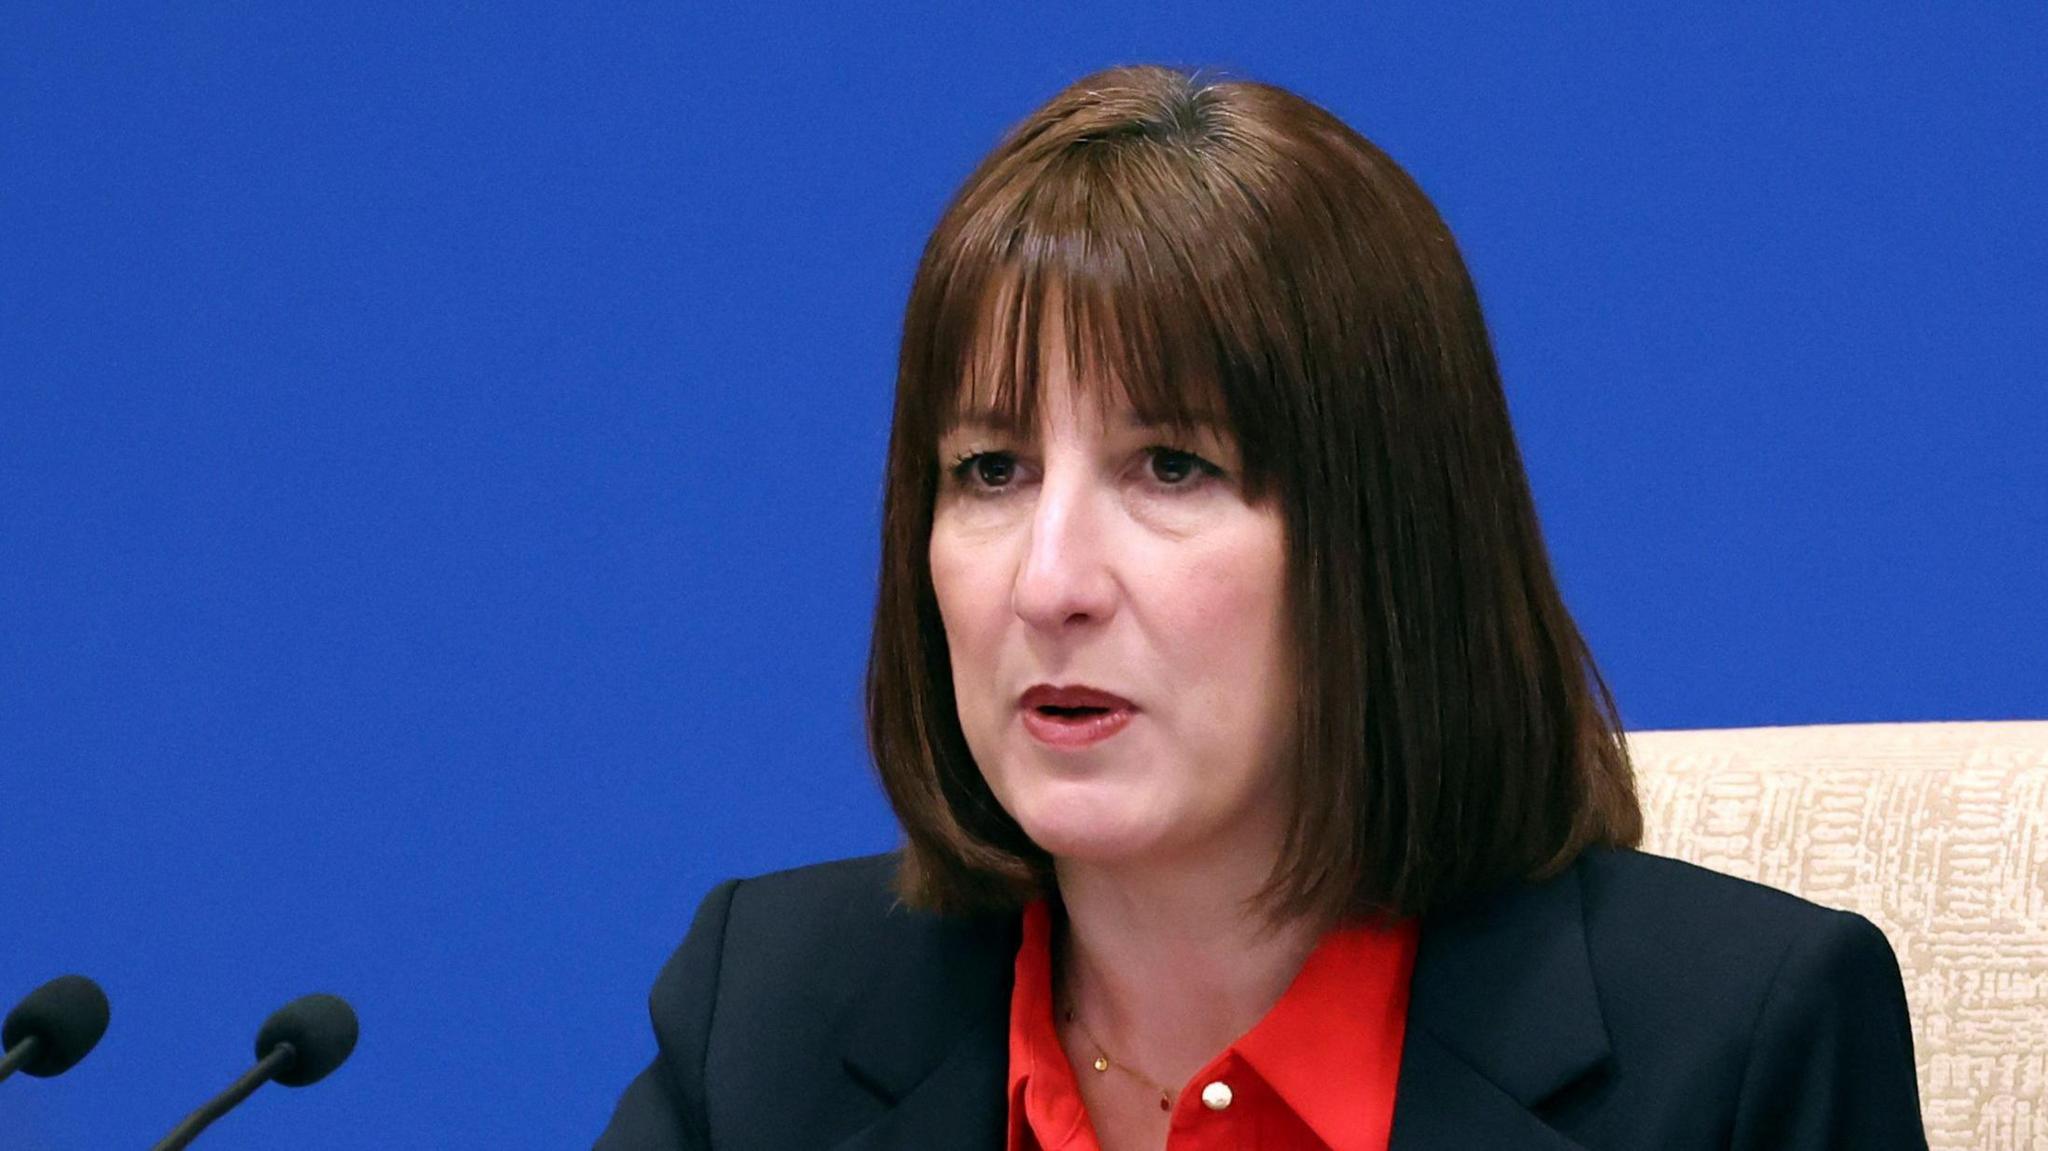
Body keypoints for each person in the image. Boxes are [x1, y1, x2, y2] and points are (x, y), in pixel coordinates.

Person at [595, 64, 1927, 1150]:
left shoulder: (1739, 1052)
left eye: (1172, 467)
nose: (1050, 582)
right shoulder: (764, 1017)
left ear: (1387, 544)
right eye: (990, 471)